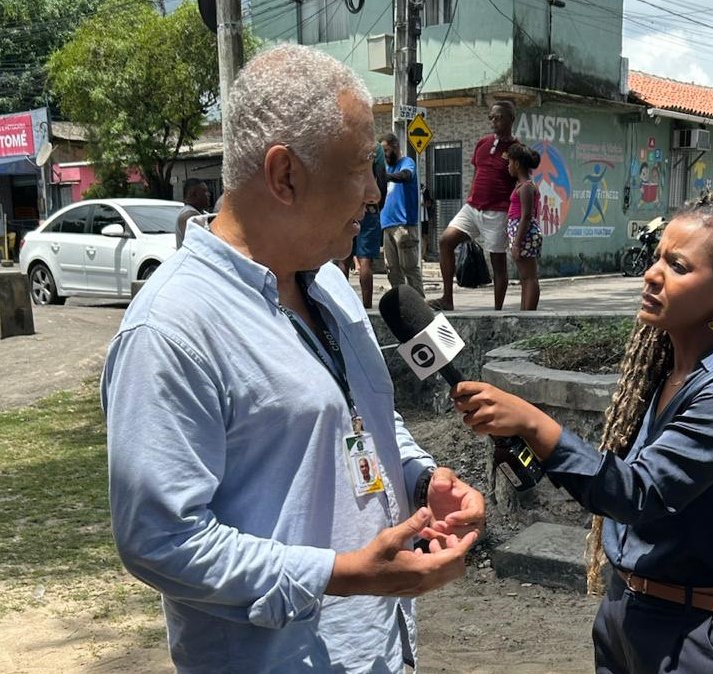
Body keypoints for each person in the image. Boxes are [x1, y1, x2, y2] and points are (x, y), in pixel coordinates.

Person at [102, 44, 484, 673]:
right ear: (284, 176)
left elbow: (362, 416)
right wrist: (341, 574)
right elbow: (160, 540)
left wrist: (421, 477)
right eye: (360, 167)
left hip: (381, 650)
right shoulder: (172, 328)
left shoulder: (329, 282)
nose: (373, 191)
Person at [452, 191, 713, 674]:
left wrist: (535, 423)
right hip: (630, 617)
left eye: (678, 266)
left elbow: (640, 492)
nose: (652, 274)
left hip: (702, 638)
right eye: (656, 256)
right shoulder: (671, 374)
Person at [429, 101, 519, 311]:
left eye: (499, 117)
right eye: (491, 118)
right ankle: (447, 299)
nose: (494, 122)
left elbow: (520, 179)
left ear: (511, 119)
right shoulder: (483, 143)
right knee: (445, 241)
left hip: (497, 211)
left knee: (497, 261)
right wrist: (471, 195)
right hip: (472, 207)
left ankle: (498, 309)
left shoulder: (516, 149)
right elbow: (479, 172)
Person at [338, 140, 387, 308]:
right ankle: (366, 306)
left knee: (344, 259)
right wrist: (378, 204)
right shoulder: (376, 148)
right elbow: (381, 177)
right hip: (369, 208)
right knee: (365, 261)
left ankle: (342, 305)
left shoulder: (345, 144)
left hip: (346, 209)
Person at [380, 132, 424, 297]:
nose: (384, 154)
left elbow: (406, 176)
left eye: (386, 150)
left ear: (395, 146)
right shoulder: (386, 167)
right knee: (392, 270)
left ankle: (419, 303)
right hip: (387, 225)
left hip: (403, 225)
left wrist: (385, 176)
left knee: (409, 268)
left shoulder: (407, 163)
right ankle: (402, 305)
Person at [506, 144, 543, 311]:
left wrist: (517, 243)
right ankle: (524, 312)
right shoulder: (521, 186)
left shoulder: (527, 187)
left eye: (510, 162)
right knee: (525, 277)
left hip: (525, 235)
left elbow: (526, 216)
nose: (508, 166)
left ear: (517, 164)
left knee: (529, 277)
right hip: (521, 234)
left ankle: (529, 314)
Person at [175, 178, 211, 249]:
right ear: (194, 194)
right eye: (205, 192)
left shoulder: (201, 213)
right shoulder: (189, 216)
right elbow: (200, 245)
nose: (209, 194)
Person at [420, 183, 434, 261]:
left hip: (424, 217)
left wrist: (423, 204)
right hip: (416, 217)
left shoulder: (425, 191)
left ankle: (424, 254)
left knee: (424, 236)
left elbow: (429, 204)